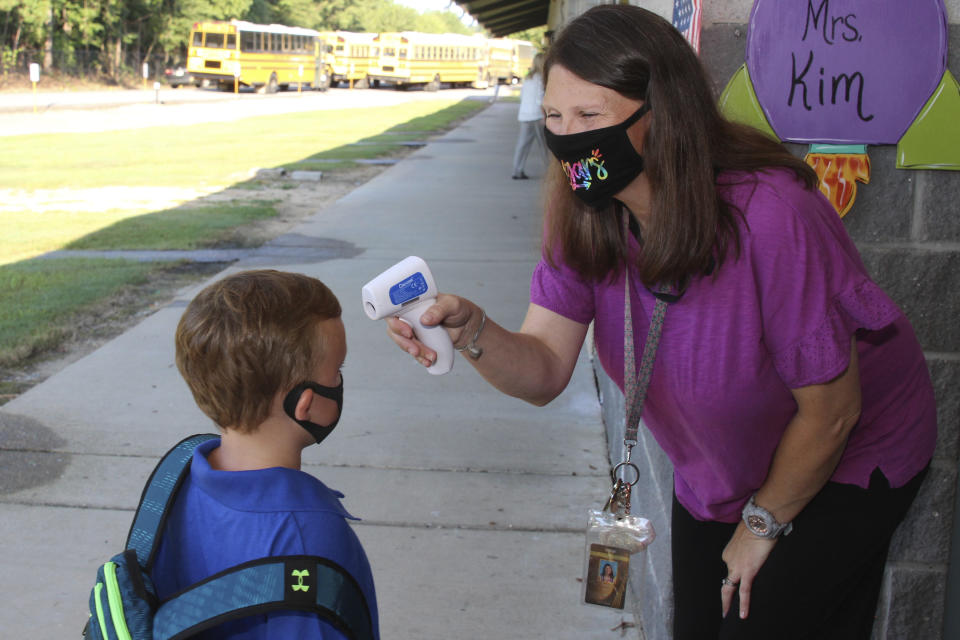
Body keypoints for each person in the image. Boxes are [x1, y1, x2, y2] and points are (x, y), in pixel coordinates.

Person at [384, 5, 936, 639]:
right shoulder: (581, 209)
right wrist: (474, 330)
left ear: (662, 114)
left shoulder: (772, 215)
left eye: (590, 117)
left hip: (847, 452)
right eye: (555, 118)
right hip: (725, 465)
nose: (568, 140)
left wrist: (762, 525)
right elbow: (543, 370)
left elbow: (833, 410)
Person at [152, 269, 379, 639]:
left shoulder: (175, 480)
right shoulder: (310, 541)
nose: (339, 382)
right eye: (337, 370)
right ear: (304, 403)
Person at [511, 52, 546, 180]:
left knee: (522, 144)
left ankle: (517, 170)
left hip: (524, 115)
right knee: (544, 146)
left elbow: (522, 96)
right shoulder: (541, 78)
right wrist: (544, 116)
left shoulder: (528, 78)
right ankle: (549, 172)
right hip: (536, 116)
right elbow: (539, 99)